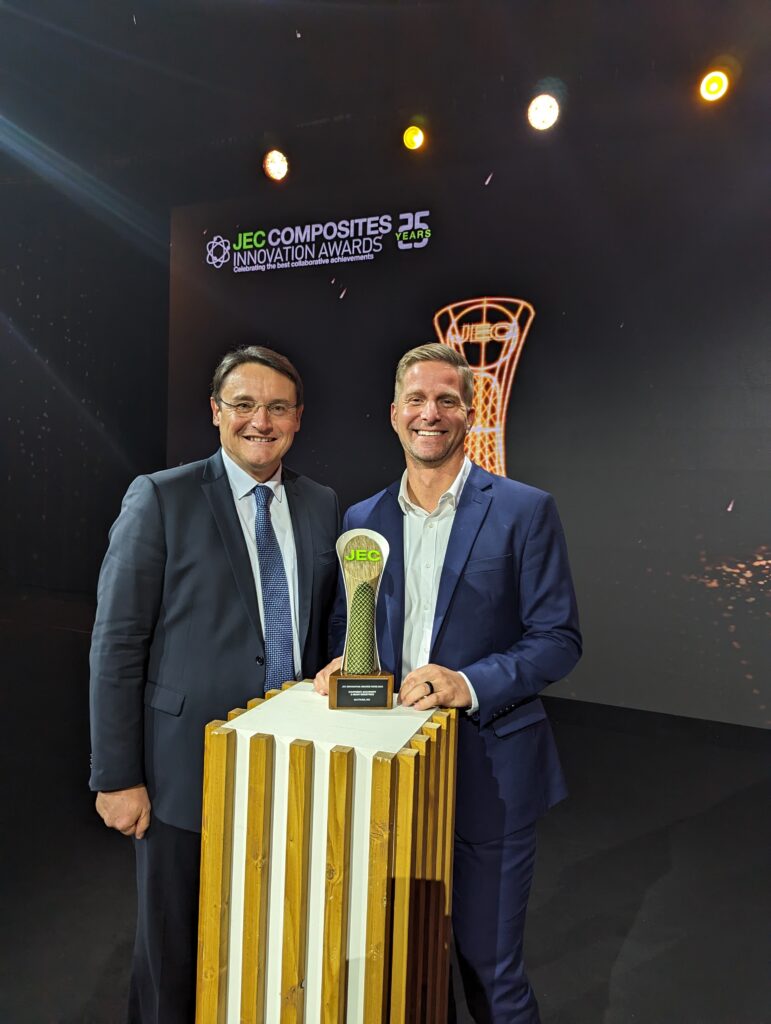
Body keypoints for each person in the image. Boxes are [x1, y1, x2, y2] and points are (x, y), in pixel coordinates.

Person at [315, 342, 581, 1023]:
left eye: (444, 399)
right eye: (415, 399)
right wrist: (346, 664)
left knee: (489, 970)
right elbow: (354, 629)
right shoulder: (361, 520)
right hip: (387, 776)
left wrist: (466, 682)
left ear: (467, 412)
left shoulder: (524, 510)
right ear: (393, 414)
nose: (428, 413)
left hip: (489, 771)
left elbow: (557, 639)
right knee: (397, 964)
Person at [90, 345, 339, 1024]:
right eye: (244, 404)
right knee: (173, 954)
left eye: (277, 407)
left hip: (292, 769)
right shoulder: (161, 497)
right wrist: (116, 775)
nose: (260, 420)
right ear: (215, 412)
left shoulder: (321, 504)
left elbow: (329, 624)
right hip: (181, 775)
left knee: (270, 944)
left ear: (298, 419)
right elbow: (116, 644)